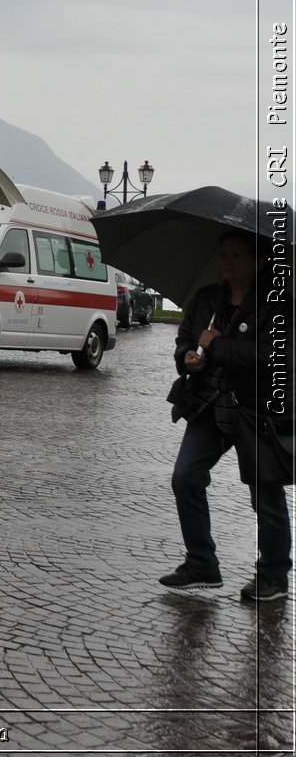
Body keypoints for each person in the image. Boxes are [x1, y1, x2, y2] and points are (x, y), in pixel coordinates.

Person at [161, 231, 292, 601]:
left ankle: (273, 575)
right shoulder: (207, 298)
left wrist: (216, 345)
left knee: (265, 496)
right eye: (224, 254)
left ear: (258, 261)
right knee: (185, 477)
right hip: (210, 406)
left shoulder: (278, 306)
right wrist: (188, 356)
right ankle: (201, 562)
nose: (227, 261)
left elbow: (269, 359)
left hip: (257, 412)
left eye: (236, 255)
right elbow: (186, 340)